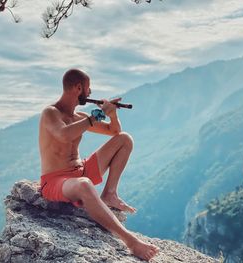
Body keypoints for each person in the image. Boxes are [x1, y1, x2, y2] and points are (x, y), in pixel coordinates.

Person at [38, 69, 159, 261]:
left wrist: (111, 114)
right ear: (78, 88)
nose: (91, 92)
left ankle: (110, 194)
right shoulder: (51, 113)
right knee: (85, 184)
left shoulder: (79, 117)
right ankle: (131, 242)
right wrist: (95, 116)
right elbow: (64, 134)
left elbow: (114, 131)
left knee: (125, 139)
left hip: (80, 171)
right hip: (56, 180)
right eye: (88, 88)